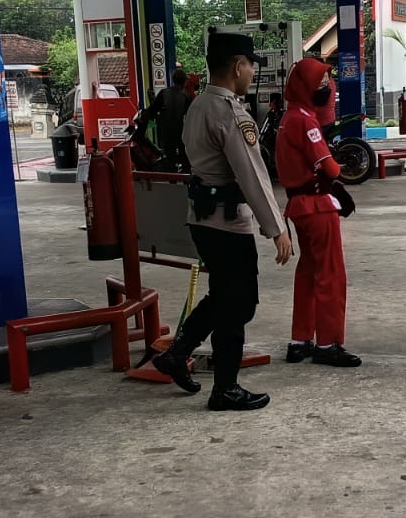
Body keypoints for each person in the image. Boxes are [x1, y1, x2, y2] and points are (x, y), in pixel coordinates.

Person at [153, 33, 292, 411]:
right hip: (227, 225)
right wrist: (276, 228)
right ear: (237, 66)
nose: (251, 73)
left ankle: (177, 353)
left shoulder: (198, 105)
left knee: (226, 297)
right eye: (250, 66)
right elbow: (253, 175)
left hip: (202, 220)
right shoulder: (230, 113)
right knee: (237, 305)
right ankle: (225, 388)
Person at [275, 57, 360, 369]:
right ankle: (328, 343)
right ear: (306, 87)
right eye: (321, 84)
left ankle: (300, 340)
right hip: (317, 205)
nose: (326, 88)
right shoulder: (305, 121)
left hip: (298, 205)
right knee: (330, 274)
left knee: (308, 271)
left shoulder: (288, 118)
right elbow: (330, 168)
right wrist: (337, 166)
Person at [135, 67, 191, 171]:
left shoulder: (164, 93)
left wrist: (142, 118)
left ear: (173, 80)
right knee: (185, 159)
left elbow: (153, 109)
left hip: (167, 132)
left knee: (170, 159)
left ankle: (171, 175)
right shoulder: (186, 96)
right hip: (182, 133)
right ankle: (185, 175)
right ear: (184, 81)